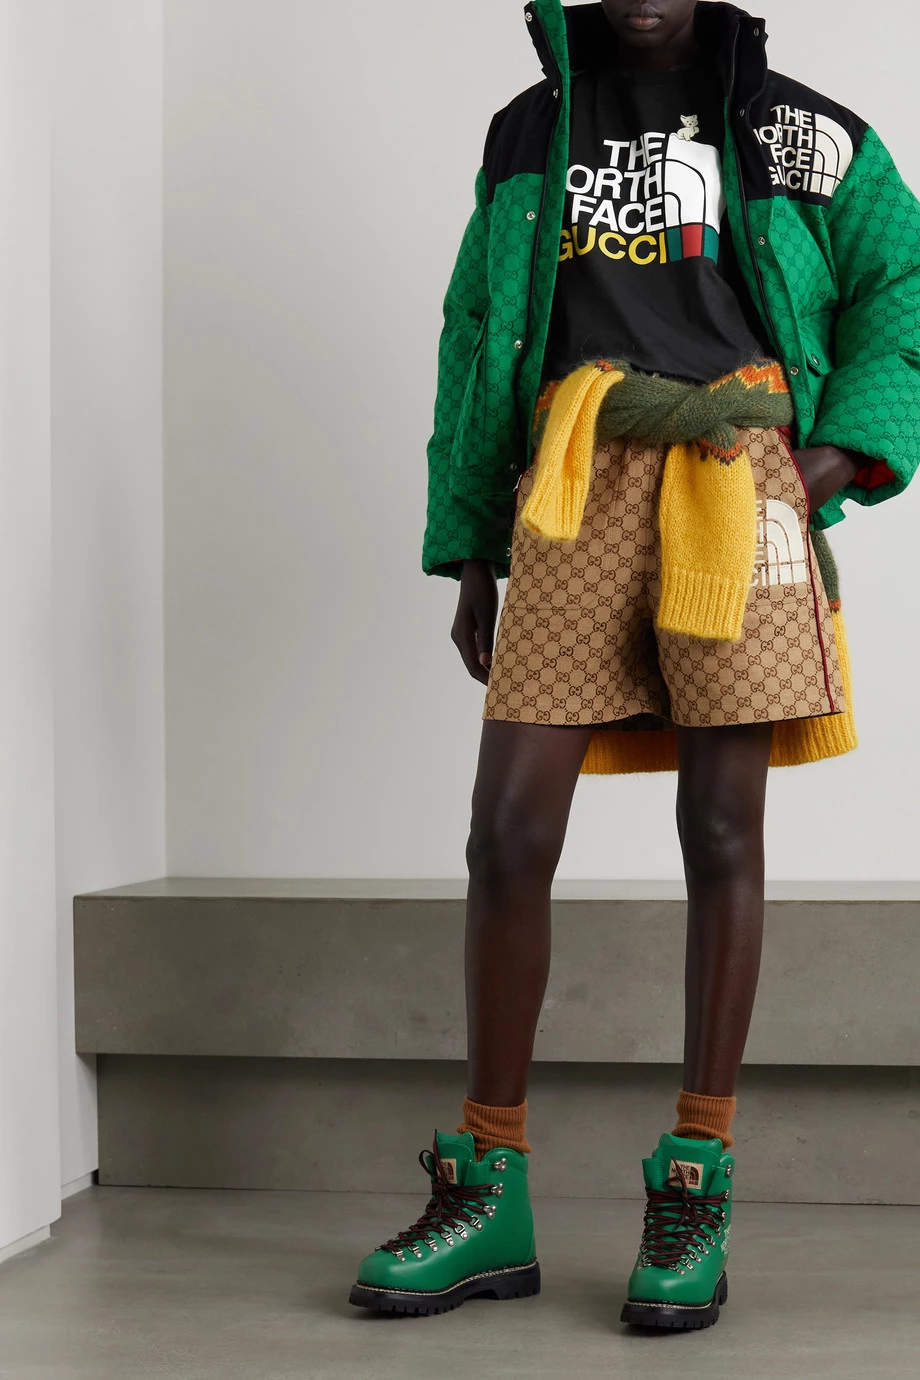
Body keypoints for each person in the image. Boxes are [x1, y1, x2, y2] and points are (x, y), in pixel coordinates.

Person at [349, 0, 920, 1329]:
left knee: (721, 828)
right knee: (507, 832)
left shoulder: (803, 132)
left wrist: (839, 454)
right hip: (572, 481)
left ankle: (698, 1178)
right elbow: (476, 329)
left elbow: (904, 283)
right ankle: (489, 1187)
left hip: (735, 475)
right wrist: (470, 544)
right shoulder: (530, 131)